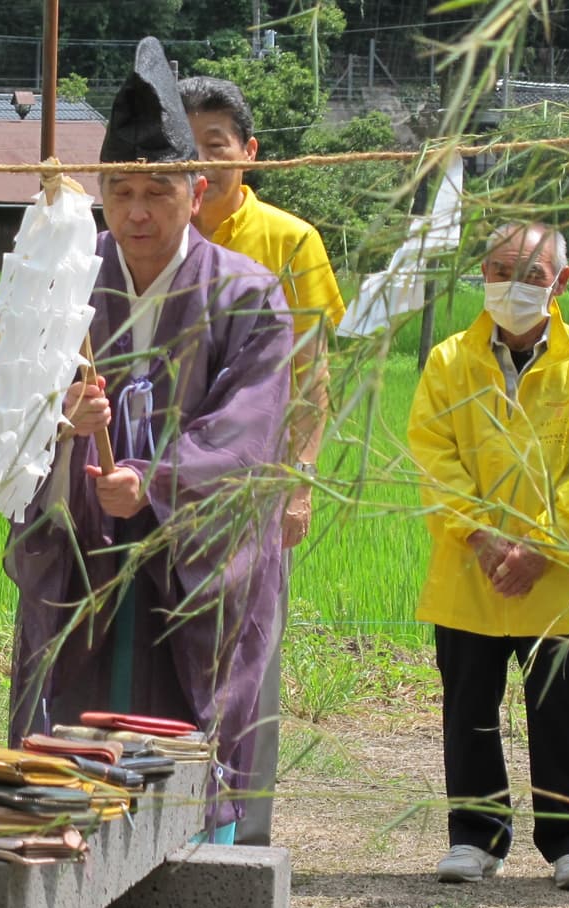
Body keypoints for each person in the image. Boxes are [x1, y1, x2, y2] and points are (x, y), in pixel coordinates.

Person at [7, 38, 295, 843]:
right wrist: (64, 430)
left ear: (197, 192)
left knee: (189, 749)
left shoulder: (247, 296)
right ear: (99, 194)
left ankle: (197, 858)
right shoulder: (65, 289)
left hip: (193, 559)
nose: (138, 211)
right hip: (84, 550)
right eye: (121, 191)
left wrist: (157, 480)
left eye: (159, 191)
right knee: (72, 743)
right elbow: (11, 407)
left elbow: (249, 432)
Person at [407, 222, 569, 890]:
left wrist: (543, 546)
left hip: (562, 579)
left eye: (532, 274)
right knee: (469, 706)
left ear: (560, 283)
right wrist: (480, 535)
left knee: (568, 710)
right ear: (483, 273)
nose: (513, 286)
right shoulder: (448, 362)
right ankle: (475, 836)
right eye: (502, 270)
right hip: (469, 568)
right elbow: (434, 458)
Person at [178, 75, 347, 847]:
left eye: (215, 147)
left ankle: (243, 825)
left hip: (252, 482)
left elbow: (312, 372)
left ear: (248, 154)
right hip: (165, 479)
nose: (201, 165)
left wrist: (297, 482)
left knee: (250, 652)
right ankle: (165, 811)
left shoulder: (289, 241)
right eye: (186, 148)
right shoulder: (149, 228)